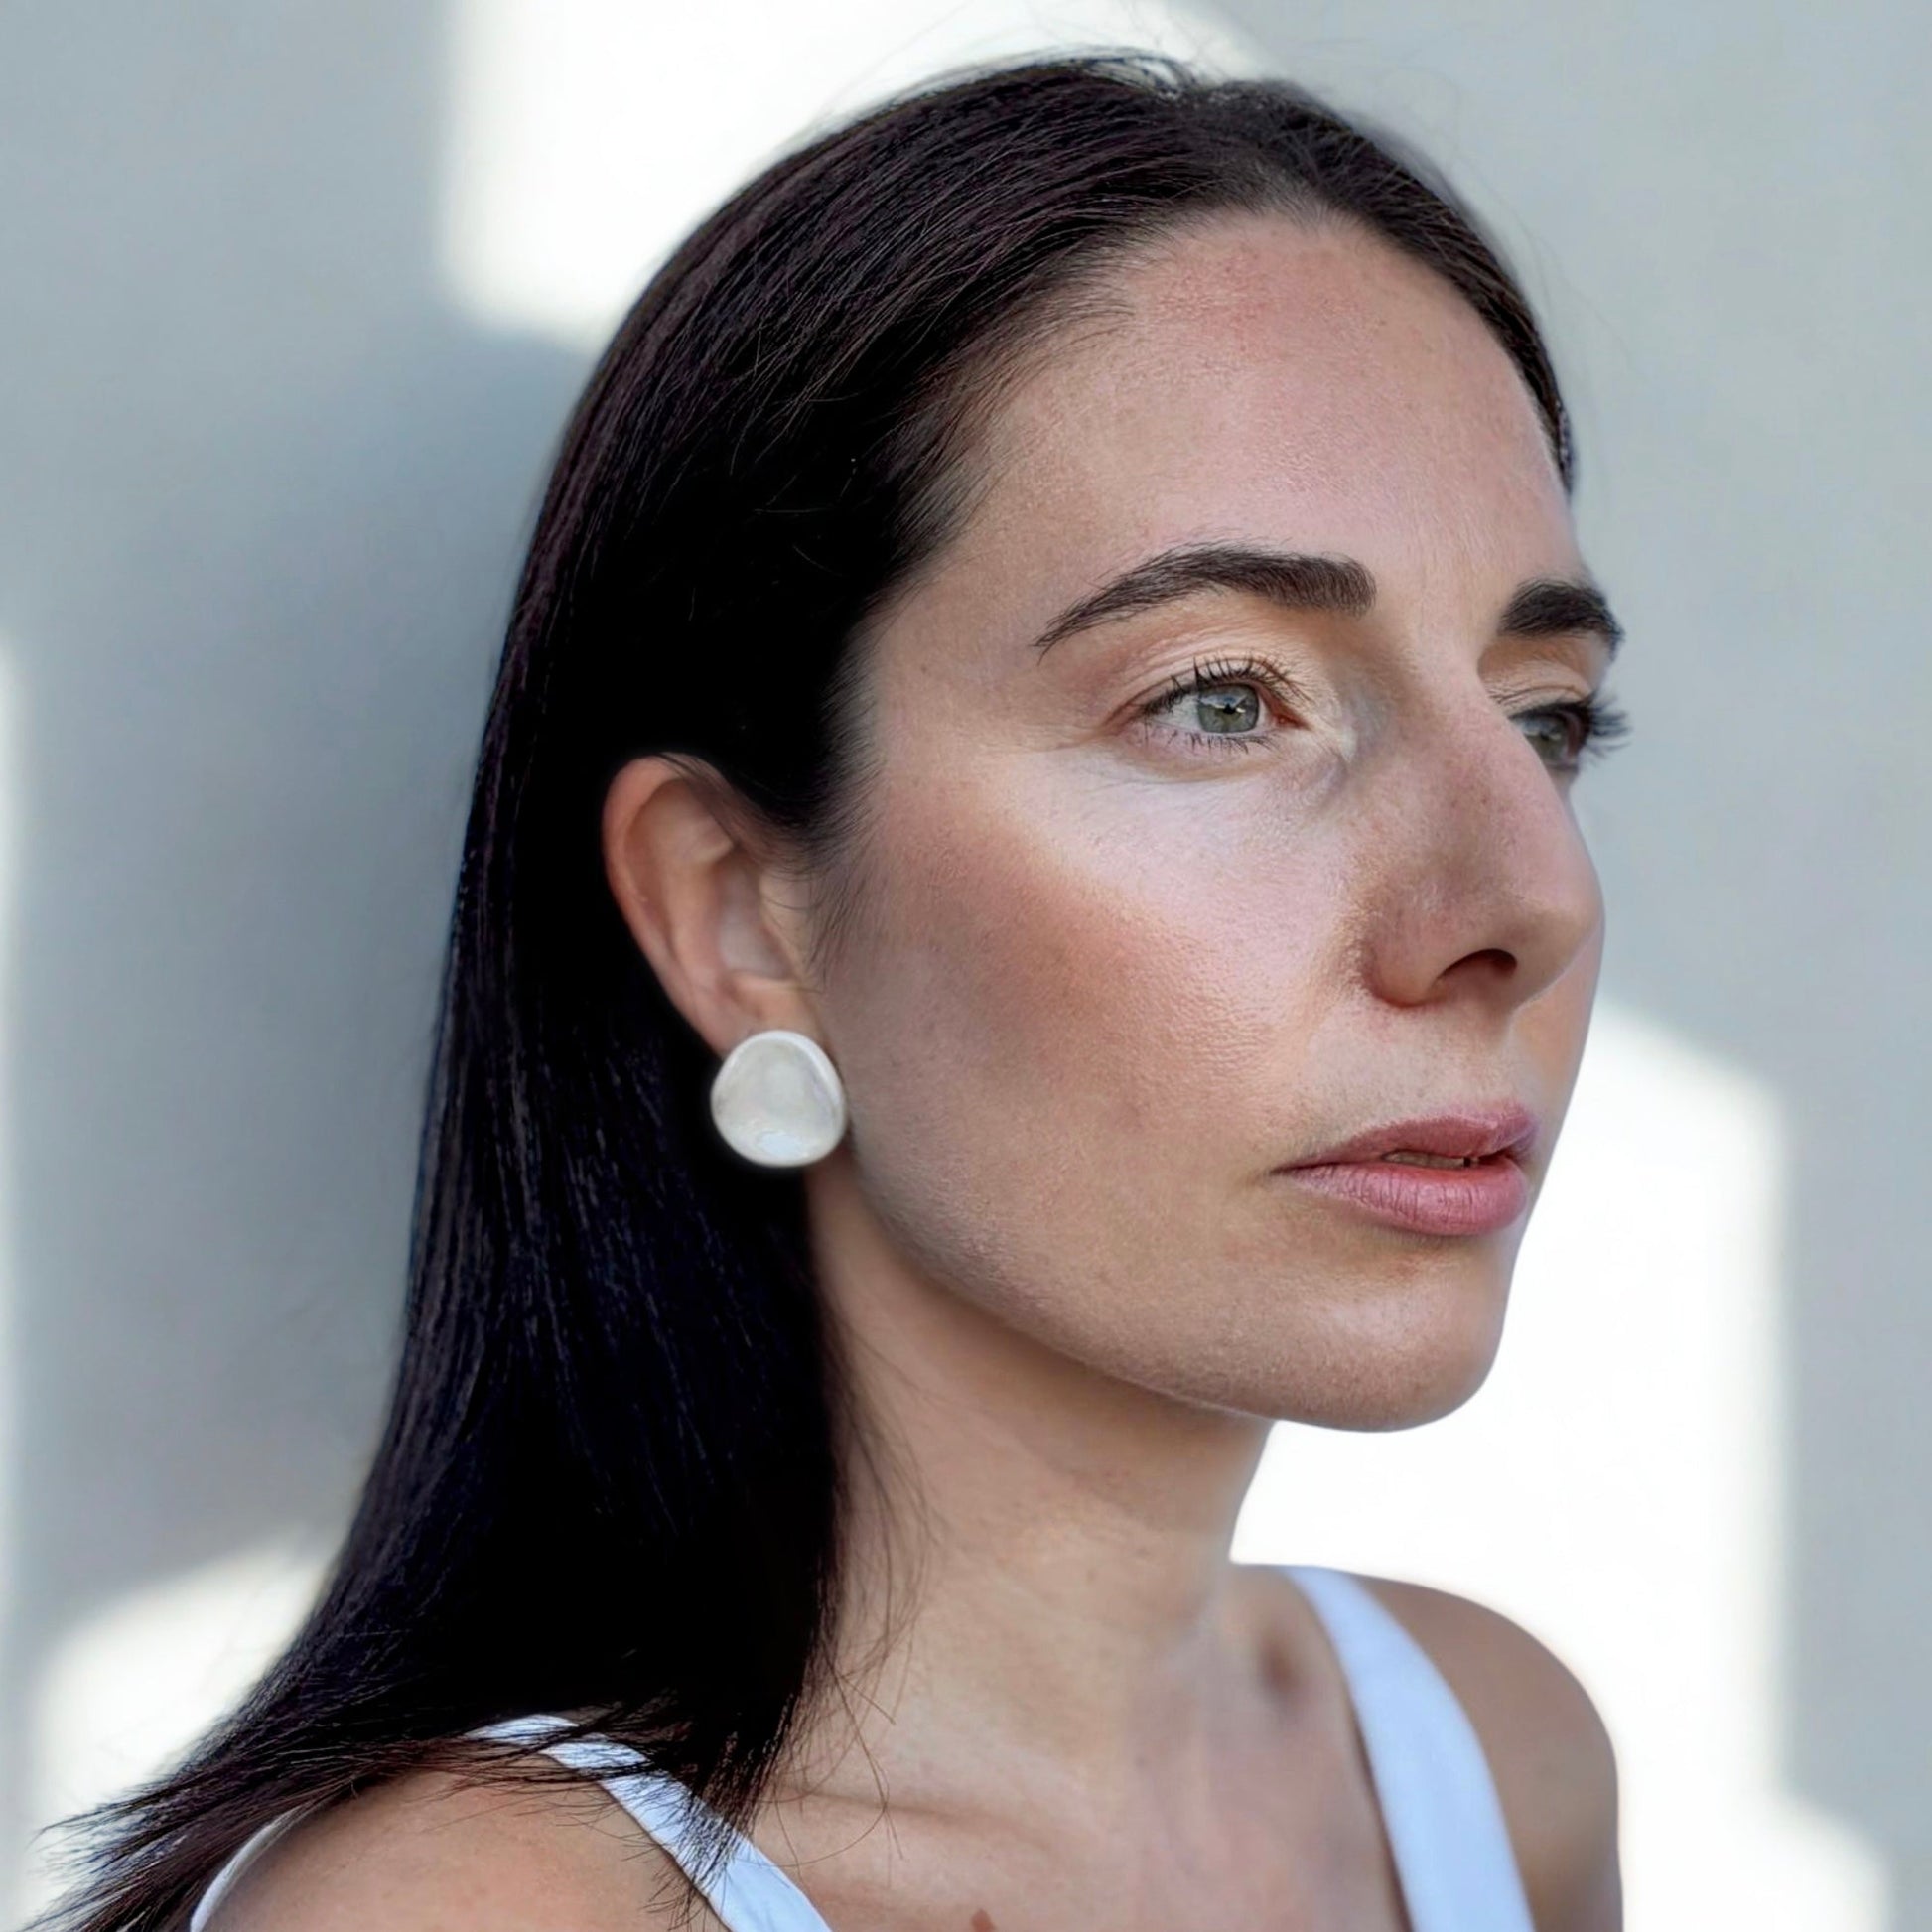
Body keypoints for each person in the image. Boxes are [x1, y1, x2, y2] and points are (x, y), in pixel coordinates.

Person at [48, 49, 1632, 1932]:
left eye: (1544, 719)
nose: (1521, 902)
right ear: (738, 913)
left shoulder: (1474, 1766)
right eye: (1221, 699)